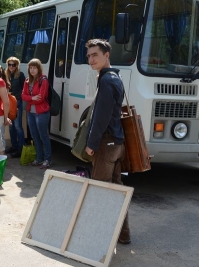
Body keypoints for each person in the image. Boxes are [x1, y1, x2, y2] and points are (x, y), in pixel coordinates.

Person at [84, 38, 130, 244]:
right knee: (117, 191)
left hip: (106, 143)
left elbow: (101, 117)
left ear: (106, 55)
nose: (91, 59)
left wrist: (92, 144)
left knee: (101, 192)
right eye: (88, 56)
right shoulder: (114, 77)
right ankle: (123, 234)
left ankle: (99, 239)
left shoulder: (106, 80)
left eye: (95, 55)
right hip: (116, 144)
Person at [21, 58, 52, 169]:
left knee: (43, 136)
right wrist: (32, 97)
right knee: (34, 136)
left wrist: (30, 98)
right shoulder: (27, 80)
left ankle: (47, 159)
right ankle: (39, 159)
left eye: (34, 67)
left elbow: (41, 98)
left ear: (39, 68)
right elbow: (22, 96)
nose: (32, 70)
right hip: (31, 112)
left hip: (42, 112)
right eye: (31, 67)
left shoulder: (43, 80)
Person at [5, 57, 26, 158]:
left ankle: (20, 148)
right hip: (8, 103)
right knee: (10, 126)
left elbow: (24, 88)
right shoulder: (6, 75)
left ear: (17, 65)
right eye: (9, 65)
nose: (11, 67)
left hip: (17, 102)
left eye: (13, 65)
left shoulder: (20, 75)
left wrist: (19, 98)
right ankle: (13, 146)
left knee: (18, 126)